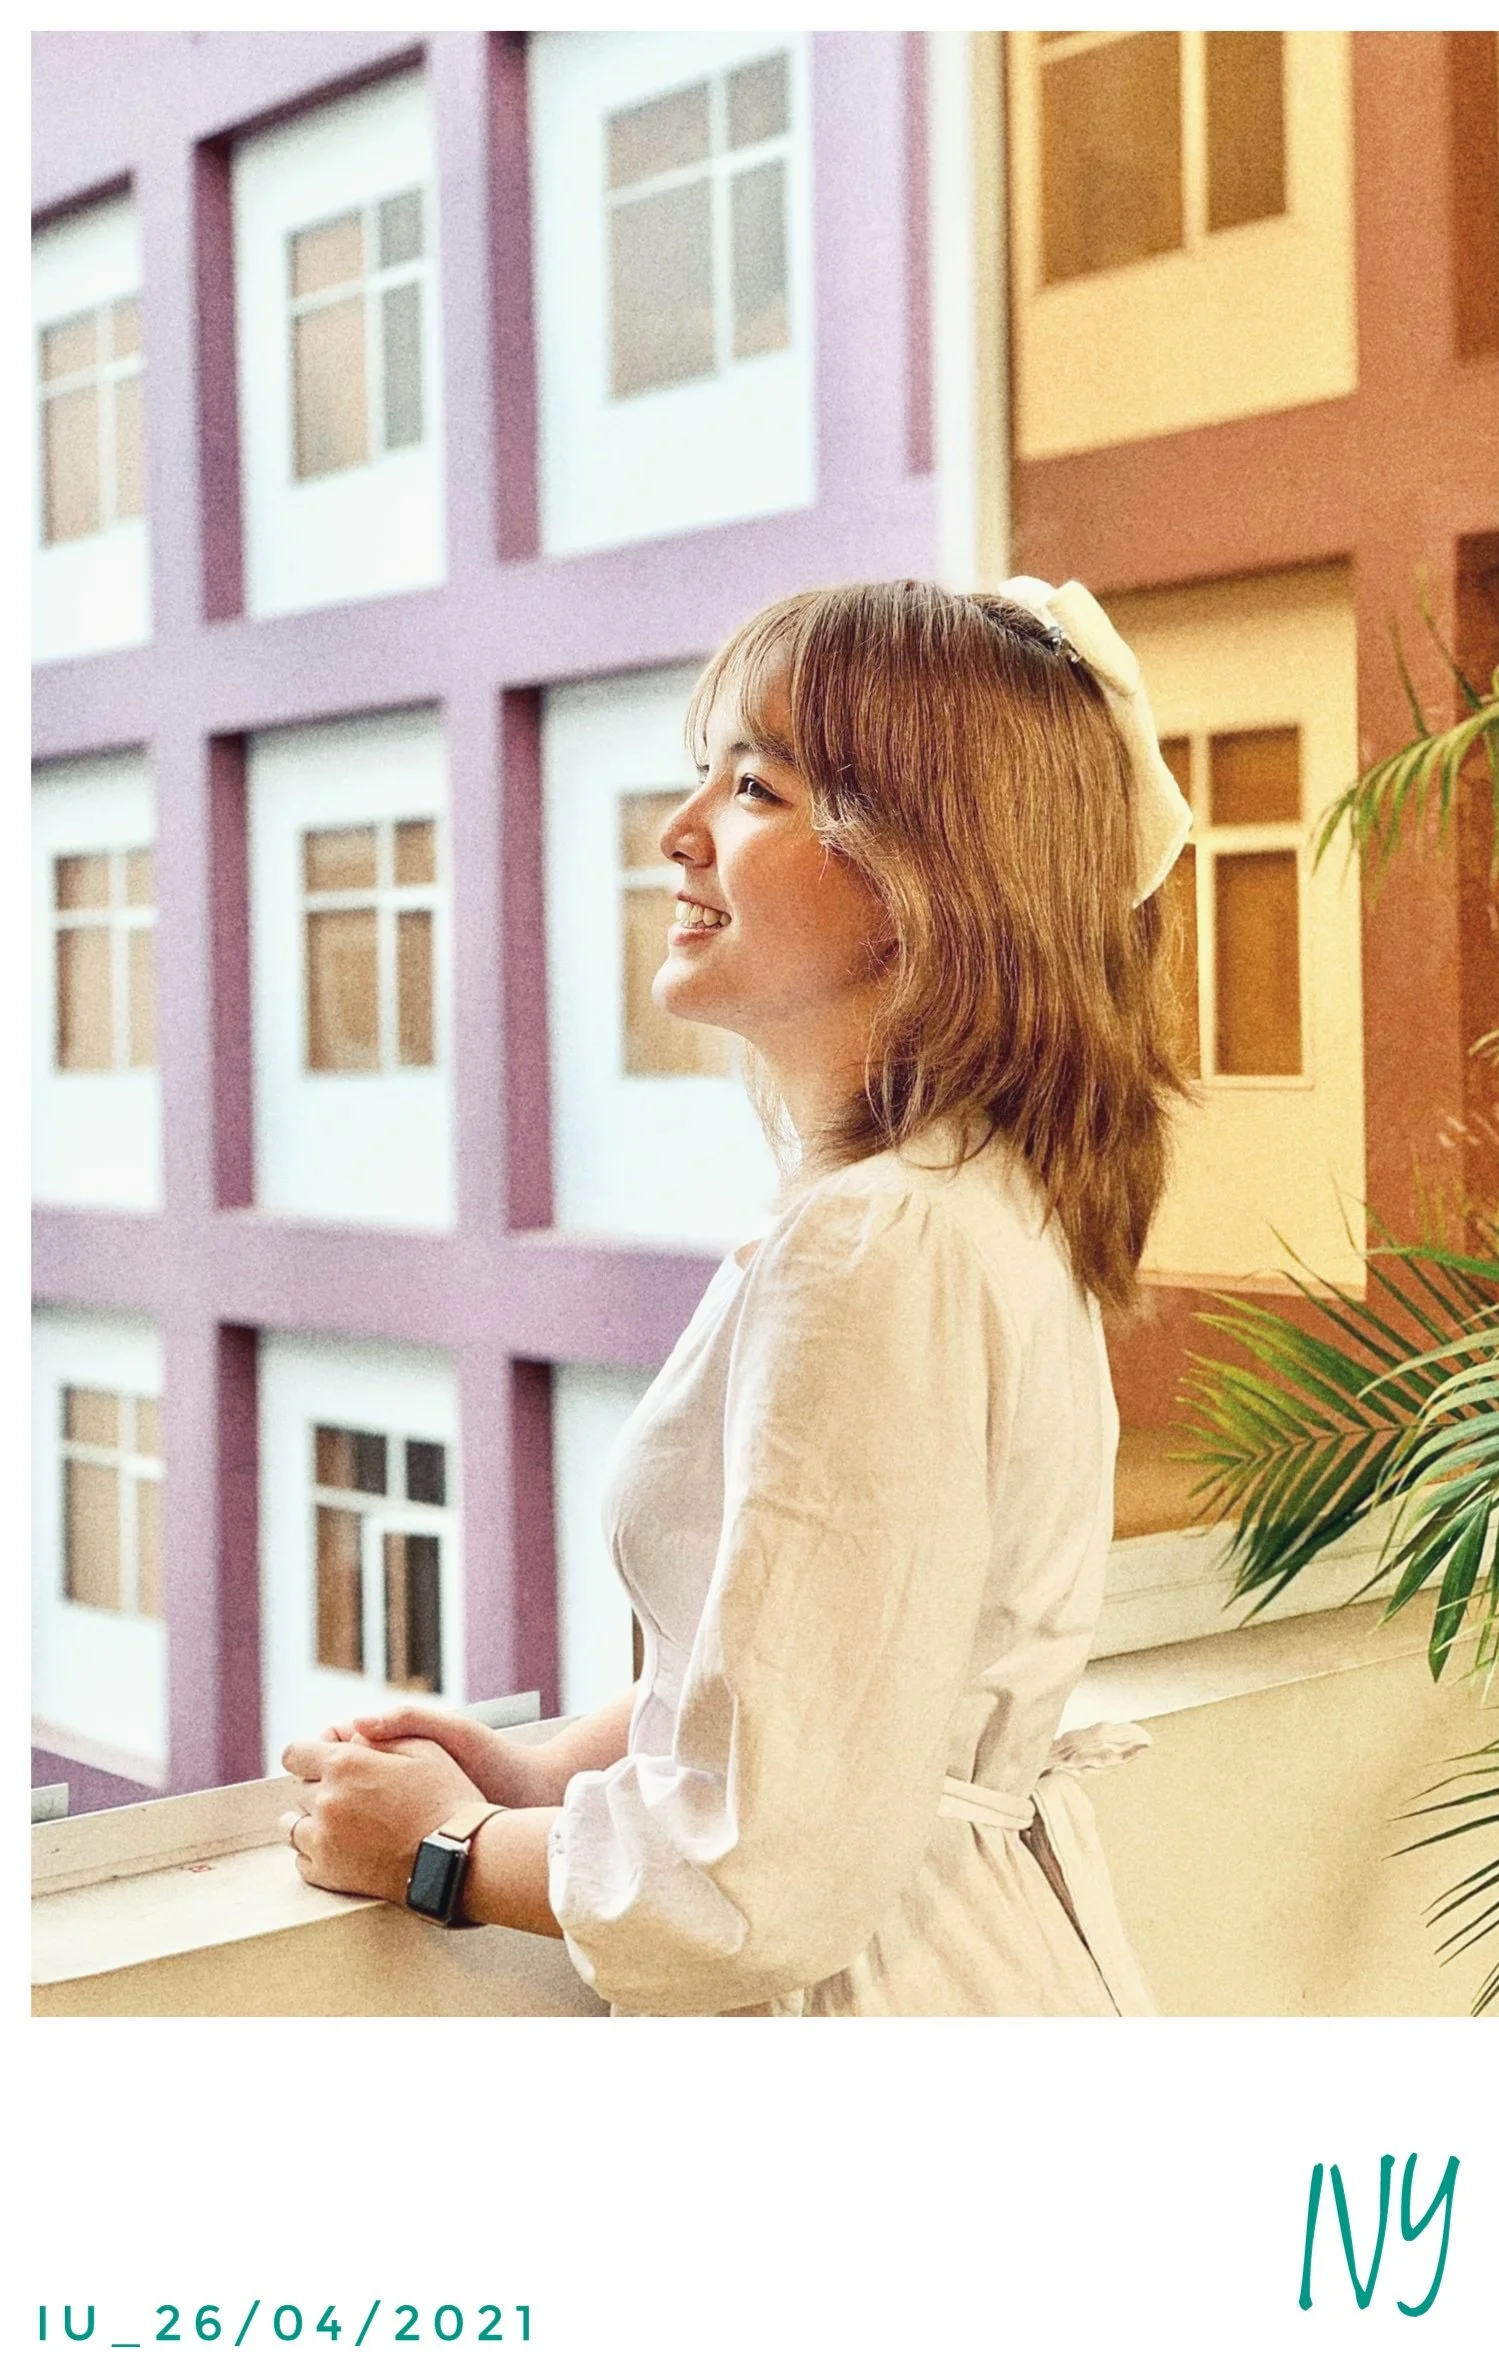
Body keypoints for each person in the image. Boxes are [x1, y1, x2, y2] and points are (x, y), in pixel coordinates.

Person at [281, 575, 1194, 2016]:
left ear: (925, 878)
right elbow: (827, 1679)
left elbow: (758, 1877)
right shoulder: (961, 1208)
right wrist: (546, 1772)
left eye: (756, 787)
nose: (678, 832)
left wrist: (443, 1848)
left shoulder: (876, 1251)